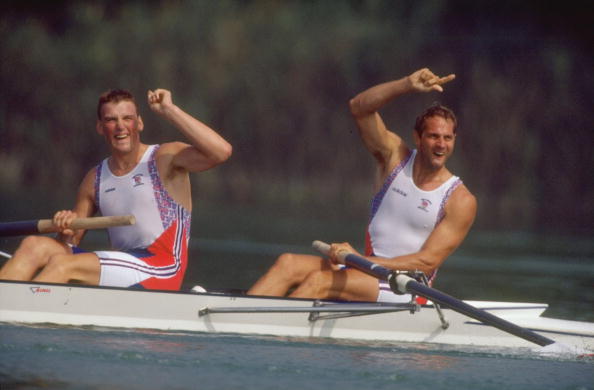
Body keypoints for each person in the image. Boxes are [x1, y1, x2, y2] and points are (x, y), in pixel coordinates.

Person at [247, 68, 476, 302]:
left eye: (447, 138)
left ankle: (272, 328)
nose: (441, 145)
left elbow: (426, 263)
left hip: (406, 288)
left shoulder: (460, 199)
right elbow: (359, 107)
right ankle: (234, 324)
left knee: (320, 281)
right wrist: (406, 84)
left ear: (454, 141)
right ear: (417, 137)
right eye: (433, 136)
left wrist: (358, 259)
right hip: (366, 272)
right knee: (288, 264)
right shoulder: (393, 157)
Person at [0, 88, 232, 290]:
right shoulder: (95, 179)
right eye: (111, 120)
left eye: (127, 118)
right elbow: (69, 243)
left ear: (139, 123)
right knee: (34, 246)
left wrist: (169, 110)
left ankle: (29, 310)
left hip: (162, 268)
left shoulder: (165, 158)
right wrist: (65, 226)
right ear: (101, 127)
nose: (120, 127)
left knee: (63, 265)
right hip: (123, 265)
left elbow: (221, 152)